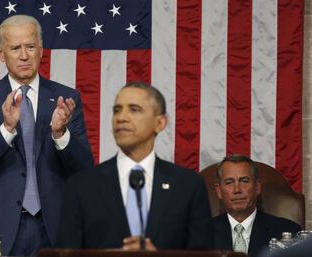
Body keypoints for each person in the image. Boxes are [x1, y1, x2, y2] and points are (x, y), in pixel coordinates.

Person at [0, 15, 93, 256]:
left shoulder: (66, 99)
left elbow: (85, 168)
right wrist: (6, 130)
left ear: (41, 50)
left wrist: (60, 133)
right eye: (15, 48)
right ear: (1, 54)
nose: (24, 55)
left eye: (30, 47)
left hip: (52, 226)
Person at [57, 82, 213, 250]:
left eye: (134, 109)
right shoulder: (81, 186)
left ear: (160, 123)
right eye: (117, 110)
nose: (121, 117)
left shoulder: (188, 186)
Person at [213, 155, 301, 257]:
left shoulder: (288, 231)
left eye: (244, 181)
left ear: (257, 187)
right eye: (229, 182)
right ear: (219, 191)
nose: (237, 189)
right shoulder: (202, 233)